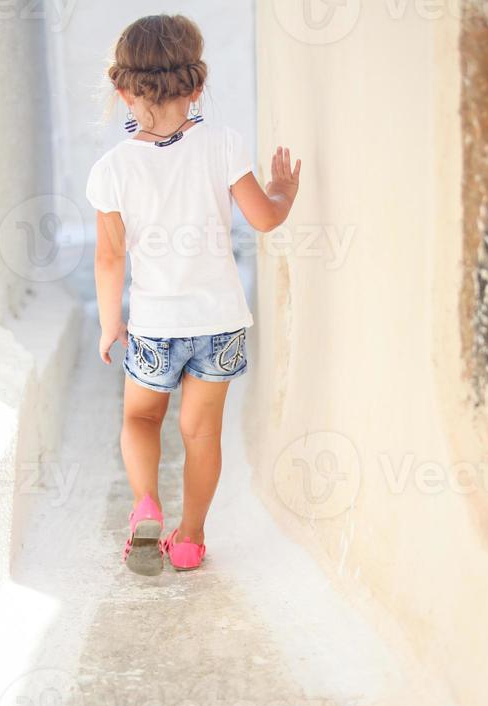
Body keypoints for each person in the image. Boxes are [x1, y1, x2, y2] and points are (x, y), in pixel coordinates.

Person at [86, 13, 301, 576]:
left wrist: (112, 324)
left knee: (140, 420)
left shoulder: (111, 170)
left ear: (123, 89)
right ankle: (190, 539)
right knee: (202, 433)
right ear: (197, 85)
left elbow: (109, 257)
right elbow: (264, 219)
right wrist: (282, 192)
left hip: (156, 323)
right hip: (220, 320)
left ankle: (146, 505)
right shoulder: (223, 145)